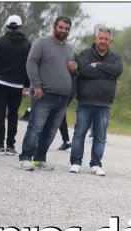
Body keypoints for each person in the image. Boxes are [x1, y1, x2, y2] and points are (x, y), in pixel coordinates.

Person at [18, 16, 78, 171]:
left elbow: (72, 73)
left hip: (62, 98)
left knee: (50, 131)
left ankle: (39, 159)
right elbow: (31, 63)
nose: (63, 31)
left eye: (66, 28)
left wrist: (74, 70)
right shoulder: (42, 43)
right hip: (43, 94)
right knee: (36, 127)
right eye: (61, 27)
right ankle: (25, 158)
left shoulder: (70, 49)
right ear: (54, 27)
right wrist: (36, 85)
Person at [69, 26, 123, 175]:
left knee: (100, 136)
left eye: (106, 39)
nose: (103, 41)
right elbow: (84, 70)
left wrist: (98, 65)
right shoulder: (85, 54)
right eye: (100, 38)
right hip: (85, 101)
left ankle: (96, 164)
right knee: (79, 133)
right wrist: (106, 72)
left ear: (110, 41)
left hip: (104, 104)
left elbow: (117, 71)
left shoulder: (116, 58)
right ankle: (75, 162)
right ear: (95, 39)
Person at [0, 15, 32, 155]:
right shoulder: (28, 44)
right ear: (20, 27)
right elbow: (29, 67)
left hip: (0, 83)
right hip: (18, 86)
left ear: (7, 26)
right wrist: (27, 85)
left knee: (0, 114)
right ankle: (11, 145)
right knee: (13, 115)